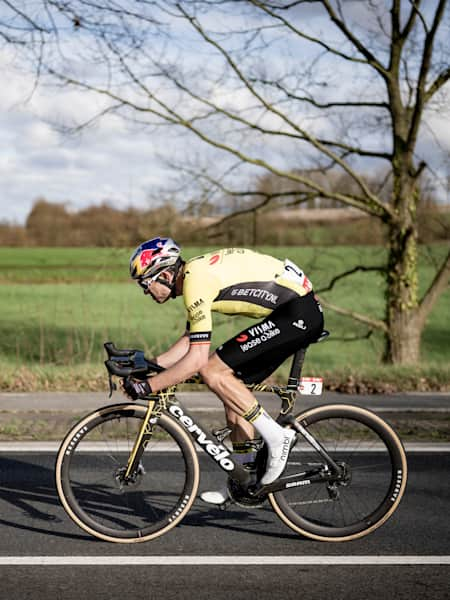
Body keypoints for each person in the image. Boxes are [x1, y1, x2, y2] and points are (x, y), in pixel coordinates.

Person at [122, 237, 324, 504]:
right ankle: (244, 480)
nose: (146, 291)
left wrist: (148, 386)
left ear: (167, 274)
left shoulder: (195, 282)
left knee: (212, 372)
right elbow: (188, 341)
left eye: (146, 283)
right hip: (291, 312)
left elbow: (196, 360)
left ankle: (278, 437)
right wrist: (150, 366)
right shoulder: (194, 277)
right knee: (231, 391)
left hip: (296, 313)